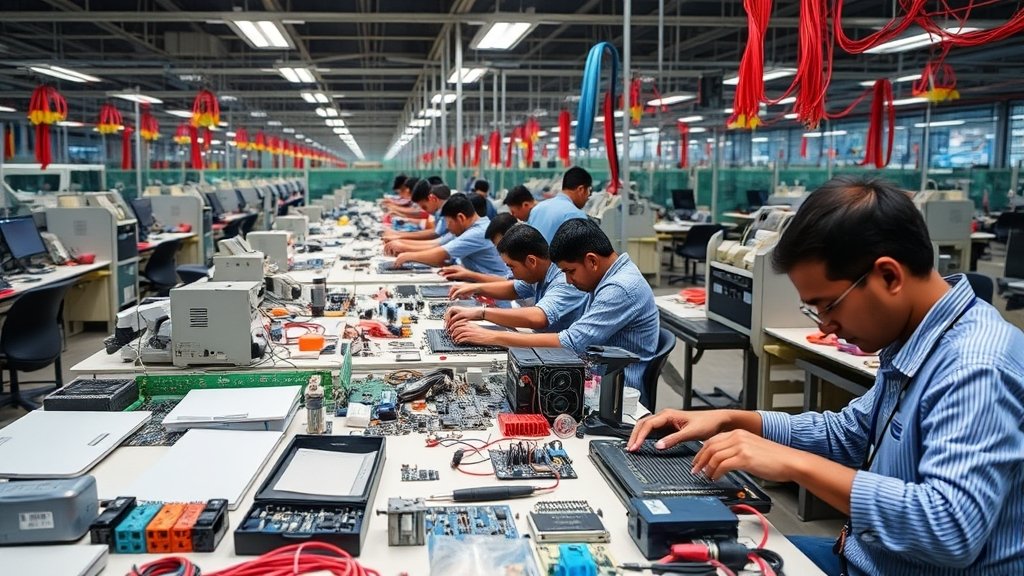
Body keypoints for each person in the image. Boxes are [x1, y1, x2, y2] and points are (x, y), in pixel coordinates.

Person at [627, 176, 1024, 576]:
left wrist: (796, 464)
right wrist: (734, 420)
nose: (827, 325)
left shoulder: (974, 366)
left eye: (827, 305)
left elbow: (950, 529)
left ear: (889, 276)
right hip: (861, 556)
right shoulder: (915, 338)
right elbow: (850, 432)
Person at [449, 218, 659, 393]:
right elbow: (515, 288)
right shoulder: (604, 278)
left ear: (592, 261)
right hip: (590, 376)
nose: (567, 280)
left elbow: (571, 342)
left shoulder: (620, 288)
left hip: (611, 394)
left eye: (570, 271)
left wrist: (490, 336)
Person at [445, 224, 587, 333]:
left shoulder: (565, 281)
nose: (511, 273)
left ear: (531, 261)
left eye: (512, 267)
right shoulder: (539, 274)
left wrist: (481, 313)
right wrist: (475, 288)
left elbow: (538, 317)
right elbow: (513, 288)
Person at [395, 193, 510, 277]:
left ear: (460, 218)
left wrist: (408, 256)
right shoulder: (470, 228)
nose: (448, 227)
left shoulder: (478, 232)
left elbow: (441, 253)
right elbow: (437, 247)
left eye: (448, 222)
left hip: (495, 295)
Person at [439, 213, 517, 283]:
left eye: (501, 246)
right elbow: (508, 279)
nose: (499, 251)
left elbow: (511, 283)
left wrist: (470, 275)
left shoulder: (521, 256)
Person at [383, 183, 453, 254]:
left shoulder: (446, 212)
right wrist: (400, 239)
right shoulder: (440, 211)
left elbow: (435, 235)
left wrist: (401, 239)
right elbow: (438, 239)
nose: (426, 211)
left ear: (433, 198)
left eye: (424, 207)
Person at [527, 166, 591, 242]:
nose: (588, 197)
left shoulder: (537, 209)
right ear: (581, 189)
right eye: (589, 190)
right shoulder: (576, 215)